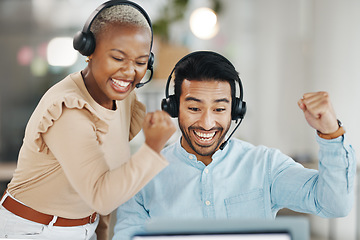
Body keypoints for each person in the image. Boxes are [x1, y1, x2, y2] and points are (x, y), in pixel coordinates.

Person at [113, 51, 356, 240]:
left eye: (219, 109)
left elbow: (333, 204)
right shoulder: (142, 177)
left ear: (236, 111)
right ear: (174, 108)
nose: (207, 123)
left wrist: (330, 132)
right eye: (194, 108)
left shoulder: (265, 166)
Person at [0, 1, 176, 240]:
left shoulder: (122, 99)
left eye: (140, 62)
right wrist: (152, 149)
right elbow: (101, 195)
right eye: (118, 57)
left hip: (83, 229)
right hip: (33, 231)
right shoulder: (67, 110)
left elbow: (108, 175)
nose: (129, 71)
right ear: (89, 50)